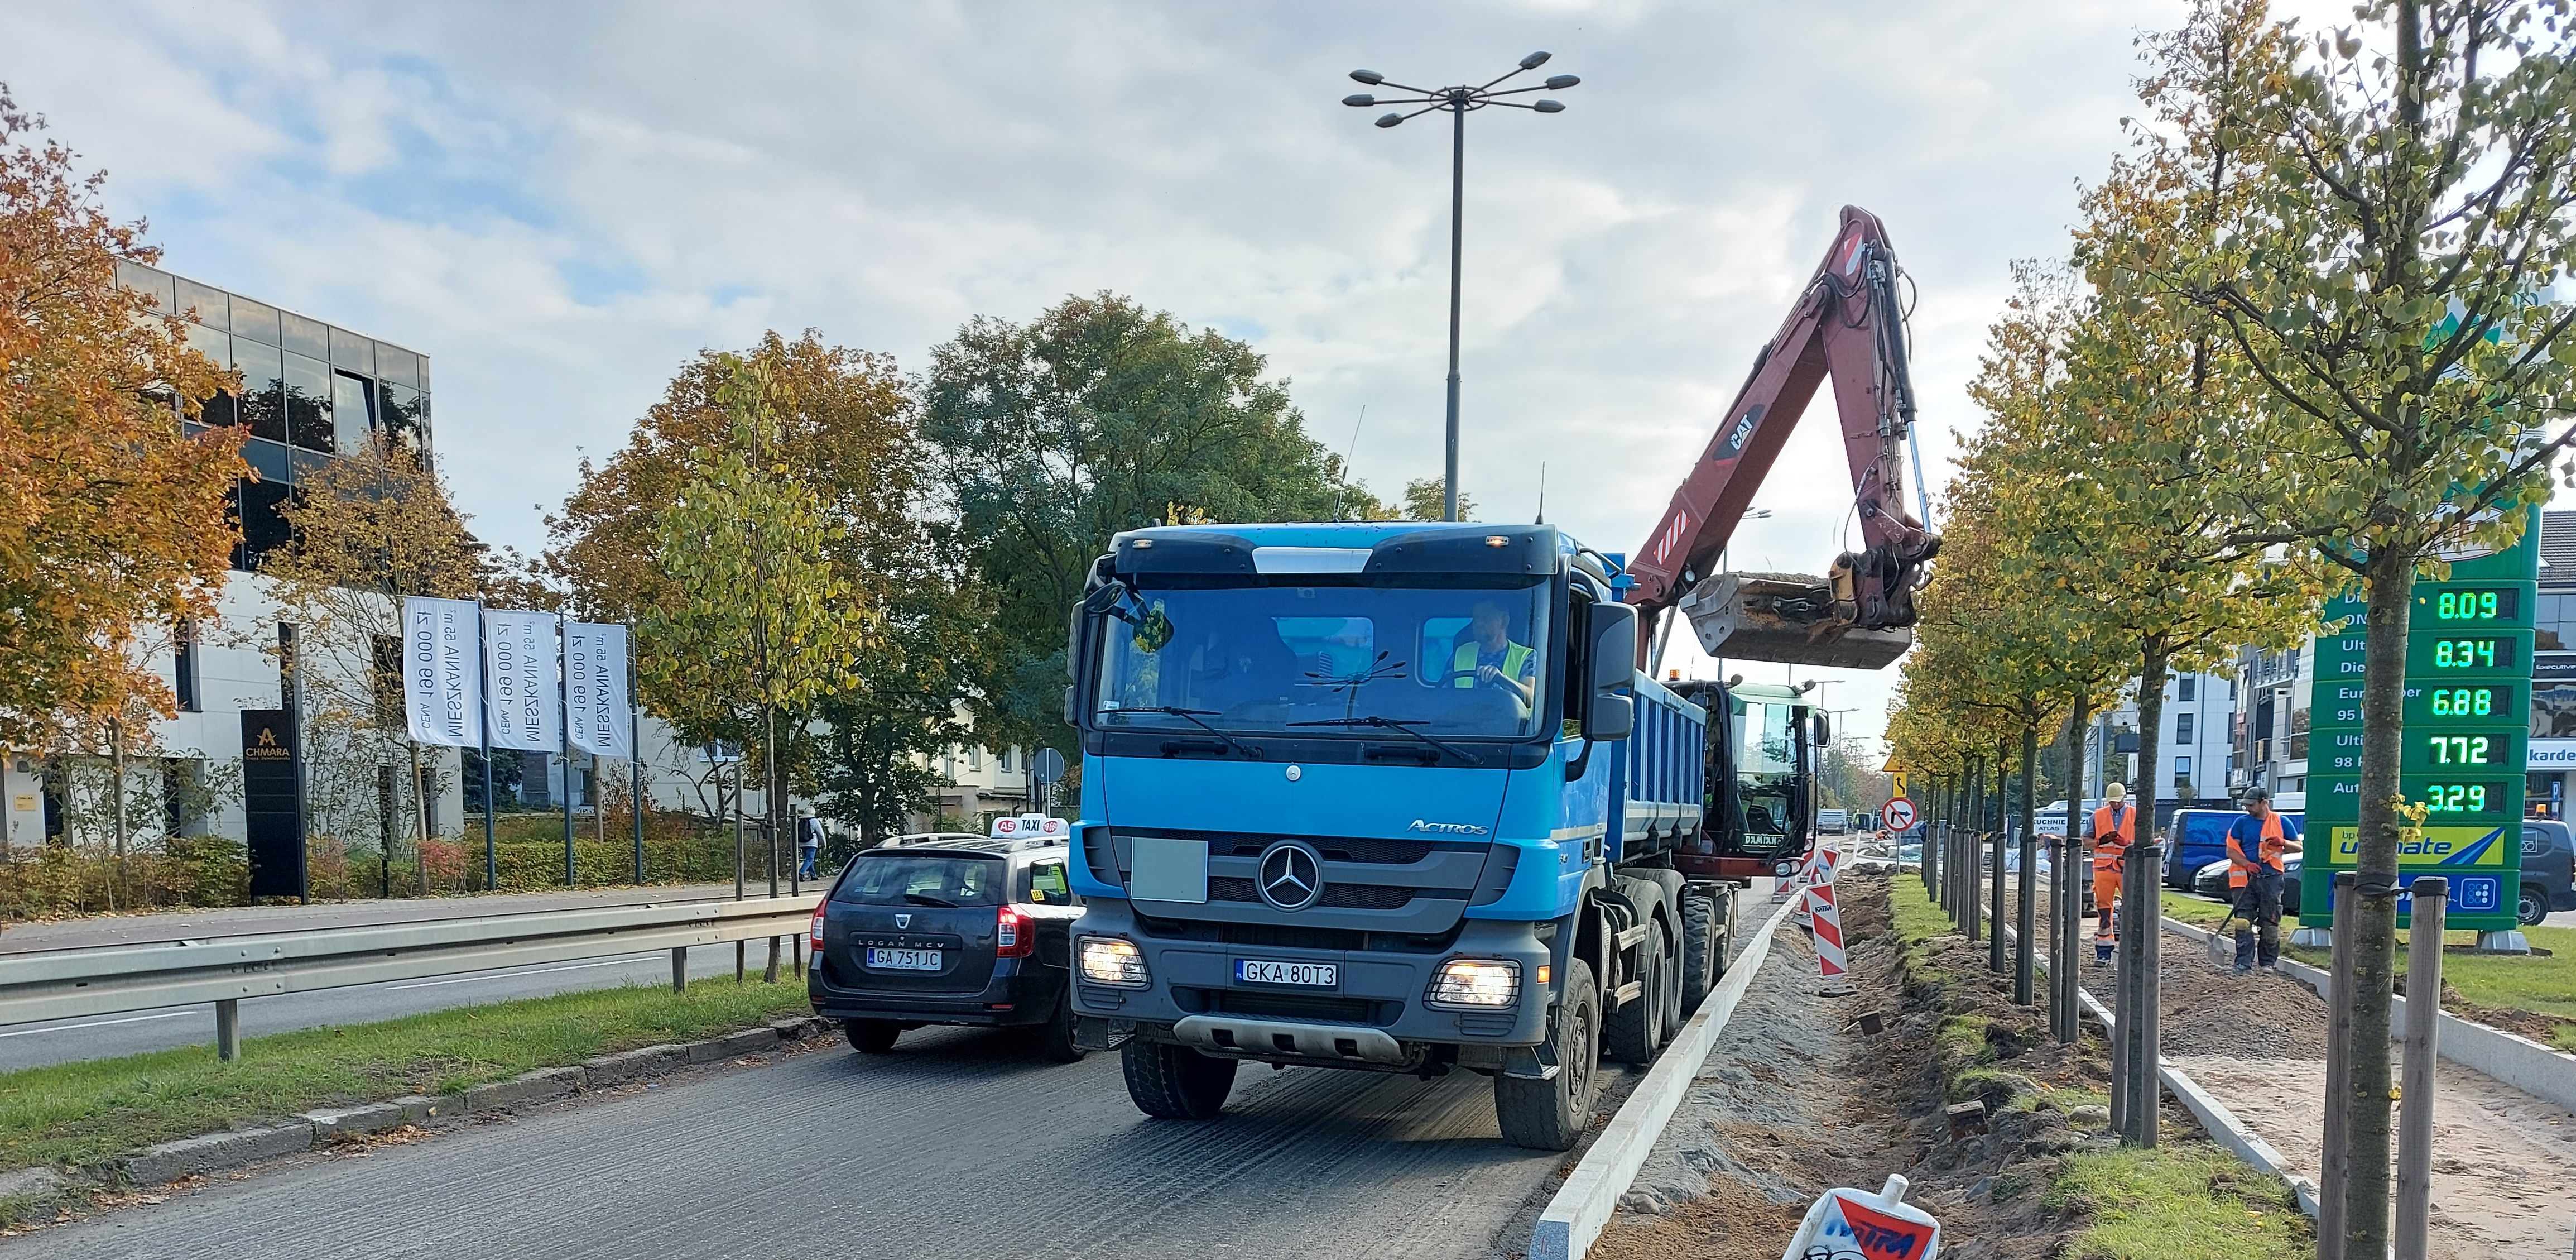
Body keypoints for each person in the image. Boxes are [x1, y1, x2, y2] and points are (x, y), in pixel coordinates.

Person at [2226, 787, 2304, 973]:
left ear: (2264, 802)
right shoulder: (2241, 823)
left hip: (2272, 879)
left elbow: (2299, 847)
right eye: (2246, 805)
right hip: (2245, 879)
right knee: (2243, 921)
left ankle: (2267, 963)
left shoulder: (2281, 822)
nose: (2248, 809)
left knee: (2270, 921)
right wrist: (2247, 865)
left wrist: (2283, 842)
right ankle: (2243, 963)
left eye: (2251, 805)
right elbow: (2231, 850)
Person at [1449, 601, 1538, 716]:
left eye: (1486, 617)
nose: (1479, 623)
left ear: (1504, 622)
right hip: (1463, 725)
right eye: (1476, 617)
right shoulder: (1460, 653)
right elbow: (1444, 695)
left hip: (1511, 730)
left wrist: (1502, 679)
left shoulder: (1526, 656)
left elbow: (1530, 698)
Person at [2091, 783, 2135, 965]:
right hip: (2104, 870)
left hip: (2128, 869)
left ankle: (2134, 949)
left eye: (2118, 802)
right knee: (2104, 911)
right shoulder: (2098, 815)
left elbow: (2147, 841)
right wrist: (2101, 840)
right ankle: (2104, 952)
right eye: (2112, 802)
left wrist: (2128, 843)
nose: (2115, 805)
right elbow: (2086, 841)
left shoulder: (2135, 815)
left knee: (2134, 908)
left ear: (2124, 798)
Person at [796, 811, 822, 880]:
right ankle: (801, 873)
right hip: (812, 843)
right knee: (810, 859)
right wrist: (824, 843)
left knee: (808, 859)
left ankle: (813, 876)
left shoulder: (801, 821)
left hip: (802, 843)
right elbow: (820, 833)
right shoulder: (815, 821)